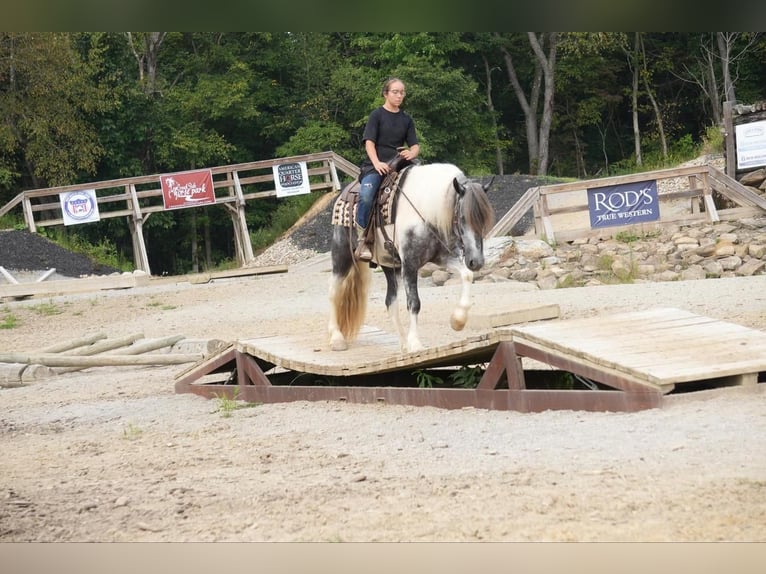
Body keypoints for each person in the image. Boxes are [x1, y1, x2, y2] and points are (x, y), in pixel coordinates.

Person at [355, 77, 420, 260]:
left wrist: (412, 153)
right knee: (366, 196)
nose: (400, 96)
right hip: (376, 165)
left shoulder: (406, 119)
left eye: (402, 92)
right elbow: (369, 143)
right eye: (395, 92)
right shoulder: (377, 115)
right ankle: (363, 239)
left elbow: (415, 145)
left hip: (399, 163)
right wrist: (376, 163)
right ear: (386, 93)